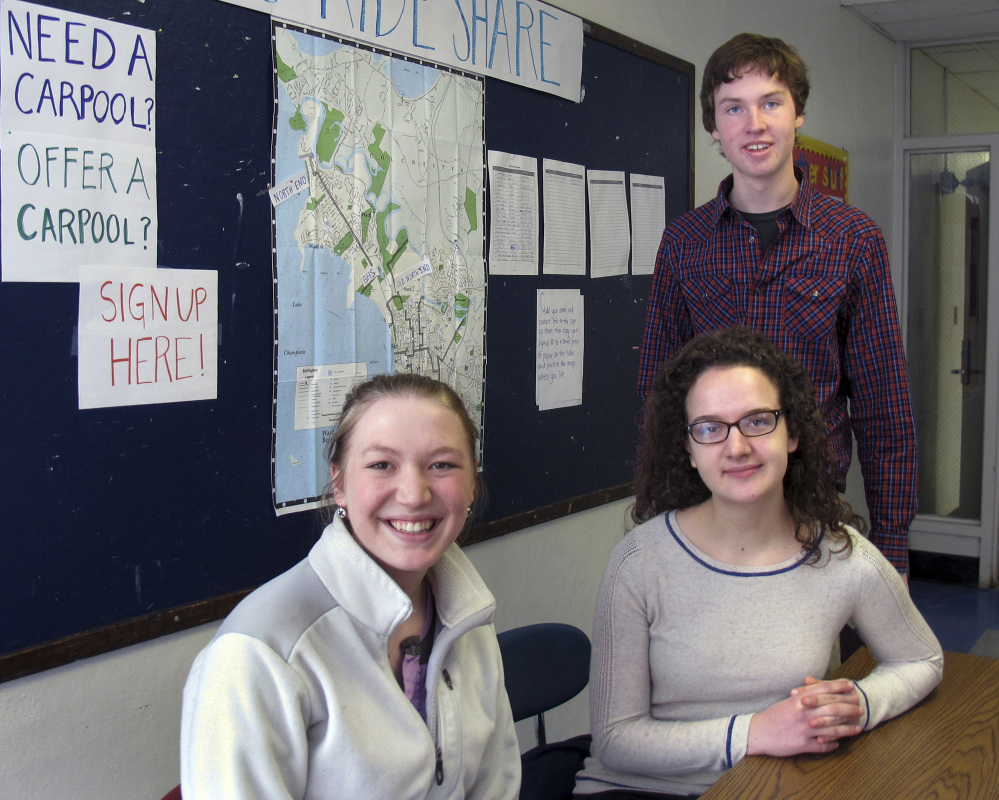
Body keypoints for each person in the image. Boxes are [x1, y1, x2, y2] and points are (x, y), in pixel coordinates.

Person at [574, 327, 942, 799]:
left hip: (771, 786)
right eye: (709, 428)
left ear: (792, 434)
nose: (737, 446)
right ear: (688, 448)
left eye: (757, 421)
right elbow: (615, 739)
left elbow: (923, 658)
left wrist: (863, 704)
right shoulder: (639, 562)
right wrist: (754, 733)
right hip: (641, 791)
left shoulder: (838, 554)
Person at [637, 32, 916, 575]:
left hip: (813, 522)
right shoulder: (684, 242)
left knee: (814, 665)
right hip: (702, 518)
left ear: (798, 114)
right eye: (733, 108)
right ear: (714, 127)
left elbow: (885, 414)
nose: (755, 124)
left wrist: (893, 549)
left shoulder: (853, 240)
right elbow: (656, 396)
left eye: (771, 102)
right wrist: (657, 522)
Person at [181, 373, 520, 799]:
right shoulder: (257, 656)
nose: (414, 494)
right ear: (339, 483)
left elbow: (496, 786)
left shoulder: (468, 618)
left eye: (442, 465)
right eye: (382, 465)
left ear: (472, 483)